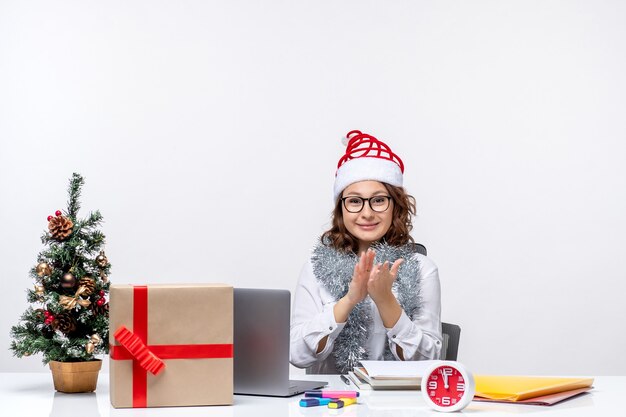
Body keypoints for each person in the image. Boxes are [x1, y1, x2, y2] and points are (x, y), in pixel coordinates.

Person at [290, 130, 443, 374]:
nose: (367, 213)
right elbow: (297, 355)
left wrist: (385, 299)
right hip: (332, 405)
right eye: (354, 201)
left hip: (397, 405)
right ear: (341, 209)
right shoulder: (316, 267)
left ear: (396, 206)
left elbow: (428, 359)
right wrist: (349, 300)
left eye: (379, 200)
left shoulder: (423, 268)